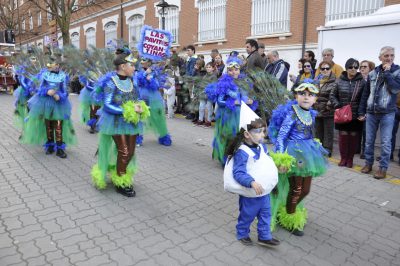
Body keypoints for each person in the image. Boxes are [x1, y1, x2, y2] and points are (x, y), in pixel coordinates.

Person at [269, 81, 328, 236]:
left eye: (310, 95)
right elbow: (281, 137)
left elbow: (309, 133)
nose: (306, 98)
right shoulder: (292, 113)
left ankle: (288, 210)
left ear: (315, 99)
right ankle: (289, 218)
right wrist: (281, 159)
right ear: (296, 96)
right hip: (293, 155)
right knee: (296, 188)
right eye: (302, 94)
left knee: (305, 190)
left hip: (308, 154)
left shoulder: (311, 114)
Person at [91, 48, 149, 197]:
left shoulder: (132, 81)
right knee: (123, 151)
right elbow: (108, 105)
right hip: (115, 122)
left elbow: (137, 99)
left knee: (130, 152)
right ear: (123, 66)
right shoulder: (111, 83)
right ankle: (120, 181)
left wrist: (140, 107)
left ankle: (120, 173)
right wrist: (127, 109)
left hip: (131, 123)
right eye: (132, 65)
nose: (134, 68)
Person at [224, 103, 280, 247]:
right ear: (247, 134)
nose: (263, 134)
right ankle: (242, 233)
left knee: (266, 215)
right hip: (251, 192)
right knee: (247, 215)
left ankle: (264, 236)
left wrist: (278, 168)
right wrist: (251, 182)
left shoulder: (262, 146)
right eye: (259, 131)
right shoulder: (242, 152)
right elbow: (239, 172)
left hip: (264, 191)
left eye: (264, 131)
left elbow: (266, 162)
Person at [22, 57, 76, 158]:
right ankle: (50, 145)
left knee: (58, 125)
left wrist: (59, 96)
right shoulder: (44, 75)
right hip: (46, 103)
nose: (55, 66)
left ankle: (59, 148)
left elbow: (66, 91)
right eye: (52, 64)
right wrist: (46, 91)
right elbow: (38, 88)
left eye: (56, 64)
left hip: (59, 104)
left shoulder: (63, 76)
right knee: (48, 125)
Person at [358, 46, 400, 179]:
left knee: (386, 142)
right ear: (380, 58)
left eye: (392, 55)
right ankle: (368, 164)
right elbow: (366, 94)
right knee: (369, 141)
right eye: (386, 56)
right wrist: (361, 111)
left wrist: (387, 74)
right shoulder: (372, 73)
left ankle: (382, 168)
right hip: (371, 112)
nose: (389, 58)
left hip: (388, 113)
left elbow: (395, 89)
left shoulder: (397, 71)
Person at [206, 56, 255, 166]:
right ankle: (225, 158)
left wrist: (249, 101)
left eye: (236, 69)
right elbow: (219, 101)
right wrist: (233, 103)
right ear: (227, 70)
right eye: (231, 70)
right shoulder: (224, 83)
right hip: (228, 116)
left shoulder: (243, 83)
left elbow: (244, 97)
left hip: (241, 115)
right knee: (228, 137)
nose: (233, 72)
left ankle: (238, 158)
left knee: (240, 137)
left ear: (239, 70)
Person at [330, 58, 365, 168]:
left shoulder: (362, 81)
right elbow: (332, 95)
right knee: (343, 136)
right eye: (351, 67)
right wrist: (338, 106)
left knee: (353, 137)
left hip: (356, 114)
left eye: (356, 67)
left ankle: (350, 159)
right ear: (346, 68)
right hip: (342, 114)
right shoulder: (339, 80)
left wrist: (361, 113)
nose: (353, 69)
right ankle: (343, 158)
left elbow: (364, 98)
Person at [136, 58, 172, 147]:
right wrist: (145, 74)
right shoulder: (138, 72)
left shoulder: (156, 73)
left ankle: (164, 136)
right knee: (139, 117)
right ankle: (138, 139)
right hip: (142, 97)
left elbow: (157, 86)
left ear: (149, 62)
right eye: (141, 60)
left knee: (158, 116)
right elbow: (137, 82)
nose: (142, 62)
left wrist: (150, 79)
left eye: (144, 60)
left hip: (154, 98)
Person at [313, 61, 336, 156]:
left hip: (328, 110)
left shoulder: (335, 80)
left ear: (331, 69)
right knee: (318, 132)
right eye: (323, 68)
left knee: (328, 132)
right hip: (316, 110)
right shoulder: (316, 81)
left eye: (327, 68)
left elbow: (334, 95)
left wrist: (328, 106)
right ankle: (318, 148)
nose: (325, 70)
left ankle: (327, 150)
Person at [358, 60, 376, 158]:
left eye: (365, 66)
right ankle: (358, 149)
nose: (362, 68)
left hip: (368, 109)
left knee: (367, 132)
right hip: (358, 108)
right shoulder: (358, 79)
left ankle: (365, 151)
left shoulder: (373, 80)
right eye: (361, 67)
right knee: (357, 131)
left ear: (370, 68)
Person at [194, 62, 217, 127]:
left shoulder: (214, 76)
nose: (208, 68)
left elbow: (213, 86)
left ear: (213, 68)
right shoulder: (205, 76)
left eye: (209, 67)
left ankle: (208, 121)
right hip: (202, 94)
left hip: (209, 94)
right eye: (207, 67)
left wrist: (207, 90)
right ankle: (200, 120)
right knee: (201, 107)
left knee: (209, 107)